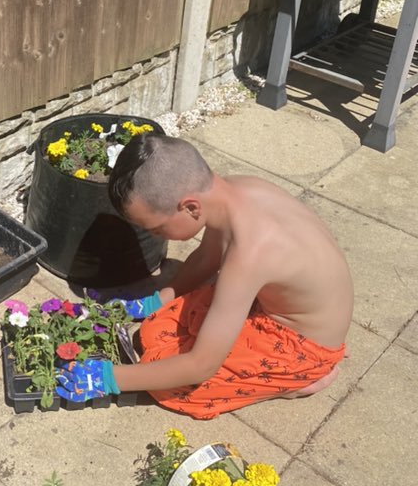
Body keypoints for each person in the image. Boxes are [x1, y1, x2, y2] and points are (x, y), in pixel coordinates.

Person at [55, 132, 353, 418]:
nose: (153, 235)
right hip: (278, 304)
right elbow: (208, 257)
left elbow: (201, 366)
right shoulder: (233, 190)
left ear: (190, 207)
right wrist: (155, 303)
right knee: (152, 332)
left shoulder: (251, 252)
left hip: (303, 345)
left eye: (156, 229)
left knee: (174, 384)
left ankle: (295, 381)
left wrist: (108, 379)